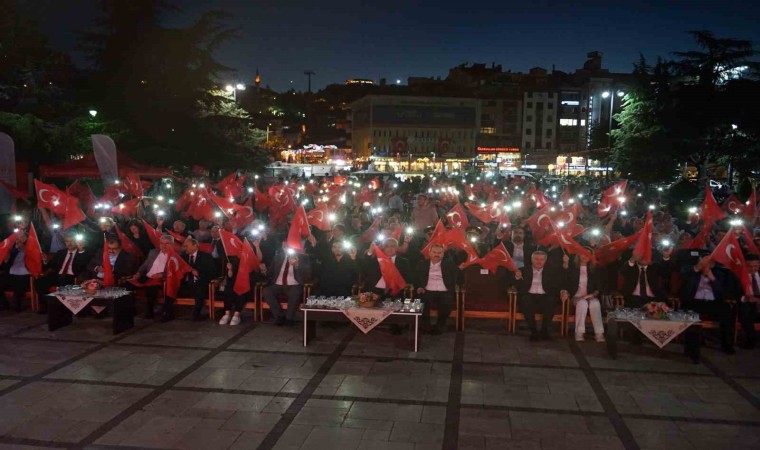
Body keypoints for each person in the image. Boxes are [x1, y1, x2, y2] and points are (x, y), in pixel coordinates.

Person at [681, 256, 734, 354]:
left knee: (727, 310)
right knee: (690, 312)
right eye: (703, 263)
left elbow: (723, 293)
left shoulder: (720, 274)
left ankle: (727, 345)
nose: (705, 265)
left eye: (708, 263)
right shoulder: (692, 273)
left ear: (712, 265)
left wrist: (712, 279)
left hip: (713, 303)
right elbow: (685, 285)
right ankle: (691, 349)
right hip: (695, 302)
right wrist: (697, 267)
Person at [514, 250, 569, 341]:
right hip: (529, 295)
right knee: (525, 301)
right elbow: (514, 285)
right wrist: (517, 277)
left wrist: (563, 291)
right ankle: (534, 331)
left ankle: (545, 330)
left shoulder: (551, 271)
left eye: (541, 259)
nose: (539, 261)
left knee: (551, 301)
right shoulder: (524, 270)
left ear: (545, 261)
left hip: (545, 296)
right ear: (532, 260)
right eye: (536, 259)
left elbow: (560, 283)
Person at [34, 232, 89, 314]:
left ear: (76, 242)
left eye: (71, 241)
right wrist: (44, 261)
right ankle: (46, 306)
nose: (69, 243)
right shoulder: (61, 252)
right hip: (58, 275)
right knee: (40, 281)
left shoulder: (82, 253)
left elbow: (83, 266)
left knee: (64, 281)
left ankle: (63, 309)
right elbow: (50, 266)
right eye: (67, 241)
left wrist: (81, 251)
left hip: (72, 276)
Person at [166, 237, 215, 322]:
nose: (184, 248)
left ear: (195, 246)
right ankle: (168, 313)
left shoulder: (206, 256)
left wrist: (198, 272)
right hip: (184, 281)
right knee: (170, 286)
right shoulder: (182, 257)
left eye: (186, 246)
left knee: (199, 289)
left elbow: (211, 271)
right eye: (184, 246)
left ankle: (196, 315)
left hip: (199, 281)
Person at [263, 243, 312, 326]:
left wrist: (297, 265)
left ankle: (289, 318)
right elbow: (269, 273)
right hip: (278, 284)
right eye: (284, 246)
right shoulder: (277, 257)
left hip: (294, 284)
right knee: (267, 291)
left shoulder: (303, 257)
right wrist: (263, 270)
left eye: (289, 246)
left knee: (295, 292)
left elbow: (308, 274)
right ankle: (279, 316)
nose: (286, 248)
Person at [415, 243, 458, 334]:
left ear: (443, 254)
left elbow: (456, 277)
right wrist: (419, 287)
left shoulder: (449, 264)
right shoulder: (422, 264)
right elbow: (417, 278)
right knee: (420, 300)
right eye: (434, 252)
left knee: (447, 302)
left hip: (444, 290)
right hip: (427, 289)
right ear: (429, 253)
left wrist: (452, 287)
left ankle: (440, 324)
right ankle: (425, 324)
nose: (437, 254)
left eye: (439, 252)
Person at [131, 234, 174, 319]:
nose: (164, 246)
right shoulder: (153, 252)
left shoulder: (175, 256)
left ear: (172, 244)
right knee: (128, 284)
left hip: (161, 279)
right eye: (162, 243)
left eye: (167, 243)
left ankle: (149, 312)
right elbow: (144, 265)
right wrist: (138, 273)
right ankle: (130, 310)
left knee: (151, 288)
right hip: (147, 276)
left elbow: (174, 271)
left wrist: (162, 274)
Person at [568, 252, 604, 342]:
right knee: (582, 303)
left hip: (589, 296)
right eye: (583, 253)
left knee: (595, 303)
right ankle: (579, 332)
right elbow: (566, 284)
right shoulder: (572, 268)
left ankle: (599, 333)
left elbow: (598, 287)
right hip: (576, 297)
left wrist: (593, 294)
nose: (585, 256)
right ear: (579, 255)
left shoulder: (594, 269)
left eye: (588, 254)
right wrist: (572, 295)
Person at [0, 231, 31, 312]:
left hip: (25, 273)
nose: (19, 239)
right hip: (11, 272)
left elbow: (32, 257)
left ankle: (17, 306)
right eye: (17, 237)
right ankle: (4, 304)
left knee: (19, 283)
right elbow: (7, 262)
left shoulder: (30, 246)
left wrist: (23, 247)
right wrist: (6, 258)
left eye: (21, 237)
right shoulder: (12, 248)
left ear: (26, 238)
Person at [739, 253, 759, 349]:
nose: (753, 269)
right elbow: (734, 294)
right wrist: (745, 298)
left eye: (755, 266)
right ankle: (751, 340)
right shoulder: (739, 277)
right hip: (747, 303)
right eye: (750, 266)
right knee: (746, 310)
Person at [217, 257, 245, 326]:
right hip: (234, 282)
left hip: (246, 281)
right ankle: (227, 314)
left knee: (241, 288)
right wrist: (230, 269)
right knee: (228, 288)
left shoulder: (247, 256)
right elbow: (230, 276)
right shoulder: (232, 259)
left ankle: (236, 315)